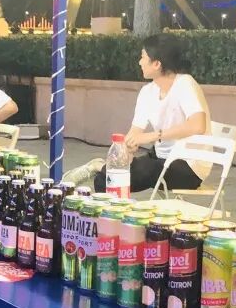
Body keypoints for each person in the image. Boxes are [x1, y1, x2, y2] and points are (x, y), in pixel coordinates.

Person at [63, 34, 212, 194]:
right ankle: (102, 171)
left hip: (189, 166)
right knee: (105, 179)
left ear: (157, 64)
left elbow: (198, 125)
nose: (140, 62)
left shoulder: (185, 84)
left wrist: (153, 136)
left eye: (143, 57)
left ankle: (99, 166)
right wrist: (127, 149)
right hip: (159, 159)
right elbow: (135, 132)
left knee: (144, 169)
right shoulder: (147, 92)